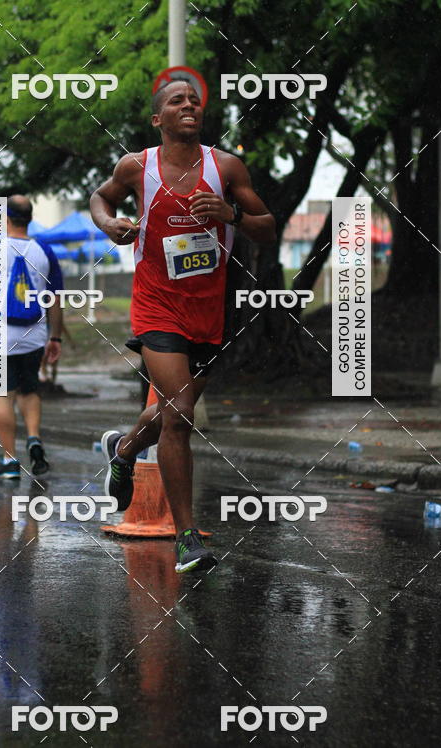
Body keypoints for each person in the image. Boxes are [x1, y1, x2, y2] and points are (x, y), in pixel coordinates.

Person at [90, 79, 275, 573]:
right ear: (158, 119)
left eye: (194, 100)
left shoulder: (226, 167)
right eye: (177, 101)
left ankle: (124, 448)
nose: (189, 105)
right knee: (181, 415)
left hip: (208, 312)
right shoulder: (137, 167)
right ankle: (186, 537)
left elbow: (267, 227)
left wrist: (231, 213)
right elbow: (100, 198)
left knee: (176, 411)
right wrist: (109, 224)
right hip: (157, 307)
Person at [0, 195, 63, 479]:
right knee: (29, 390)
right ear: (30, 218)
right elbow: (55, 298)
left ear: (5, 218)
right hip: (35, 335)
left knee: (4, 395)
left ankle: (10, 461)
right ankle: (34, 439)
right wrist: (55, 338)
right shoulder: (44, 250)